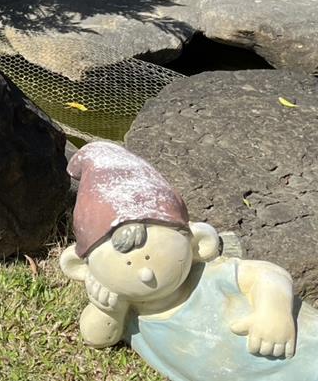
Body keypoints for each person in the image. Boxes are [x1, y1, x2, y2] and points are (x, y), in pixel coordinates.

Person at [59, 141, 317, 380]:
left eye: (154, 255)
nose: (146, 274)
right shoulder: (127, 308)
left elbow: (268, 275)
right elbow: (96, 337)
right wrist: (108, 309)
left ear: (199, 242)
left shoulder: (209, 277)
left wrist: (273, 313)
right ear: (82, 268)